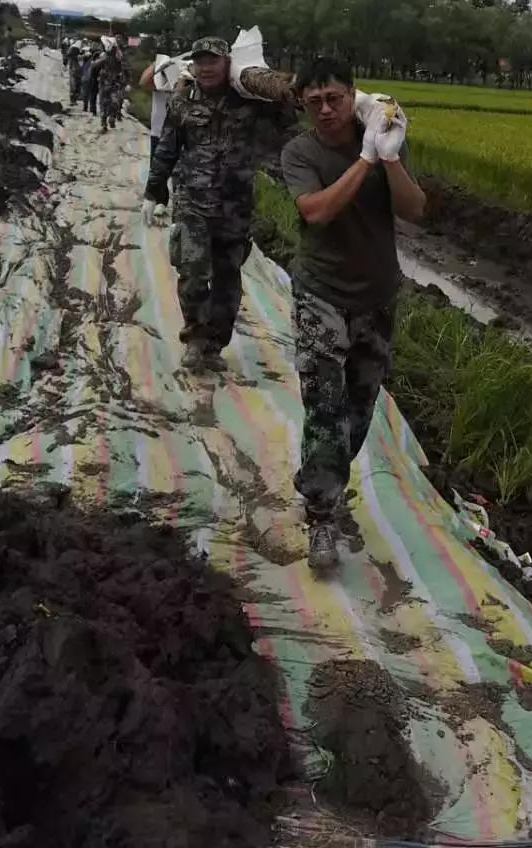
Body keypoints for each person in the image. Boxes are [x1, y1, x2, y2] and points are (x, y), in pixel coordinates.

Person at [280, 57, 425, 572]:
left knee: (360, 408)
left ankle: (325, 484)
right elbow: (315, 211)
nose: (326, 109)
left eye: (335, 98)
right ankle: (322, 514)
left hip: (377, 294)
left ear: (351, 96)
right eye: (314, 100)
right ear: (302, 104)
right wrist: (363, 160)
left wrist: (388, 158)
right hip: (321, 291)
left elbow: (415, 210)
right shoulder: (300, 151)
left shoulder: (384, 142)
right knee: (324, 405)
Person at [142, 36, 294, 372]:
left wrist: (280, 90)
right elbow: (167, 147)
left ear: (228, 63)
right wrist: (154, 191)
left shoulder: (249, 103)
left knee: (228, 280)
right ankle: (195, 340)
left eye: (213, 60)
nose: (206, 67)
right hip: (192, 205)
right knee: (193, 274)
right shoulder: (183, 102)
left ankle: (214, 345)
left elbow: (287, 119)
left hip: (234, 208)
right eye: (200, 61)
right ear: (193, 66)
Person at [139, 54, 178, 166]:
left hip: (177, 136)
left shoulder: (183, 84)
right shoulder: (159, 84)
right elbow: (143, 82)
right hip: (159, 133)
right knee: (156, 173)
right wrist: (158, 64)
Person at [95, 38, 126, 133]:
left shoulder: (104, 57)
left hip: (104, 84)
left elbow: (94, 67)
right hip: (115, 84)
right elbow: (124, 70)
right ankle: (112, 117)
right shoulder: (118, 57)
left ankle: (104, 124)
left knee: (103, 104)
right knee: (114, 102)